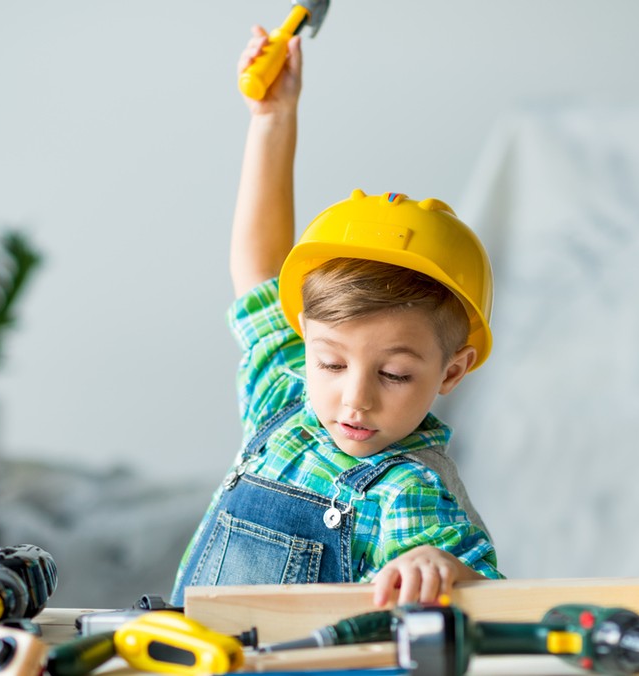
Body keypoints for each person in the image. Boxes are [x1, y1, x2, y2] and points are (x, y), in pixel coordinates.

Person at [170, 26, 502, 609]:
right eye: (329, 362)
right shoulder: (283, 398)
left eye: (394, 374)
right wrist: (272, 119)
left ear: (452, 371)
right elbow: (259, 273)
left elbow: (495, 600)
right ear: (306, 343)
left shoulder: (407, 492)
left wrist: (443, 567)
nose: (355, 400)